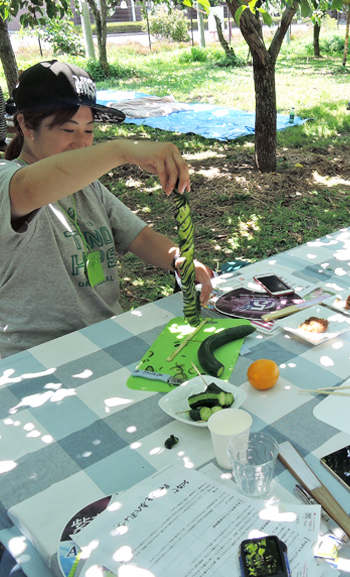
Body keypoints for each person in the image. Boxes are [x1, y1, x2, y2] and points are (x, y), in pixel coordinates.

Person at [0, 60, 213, 359]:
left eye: (89, 130)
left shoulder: (88, 187)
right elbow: (29, 189)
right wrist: (121, 149)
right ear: (25, 124)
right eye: (67, 129)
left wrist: (179, 260)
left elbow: (138, 236)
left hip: (106, 340)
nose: (81, 143)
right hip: (38, 358)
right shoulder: (6, 180)